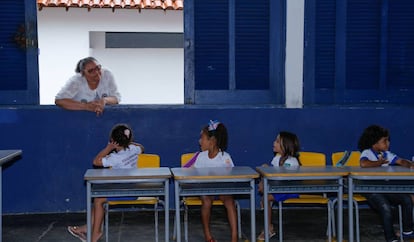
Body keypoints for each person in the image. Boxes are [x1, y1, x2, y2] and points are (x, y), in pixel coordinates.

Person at [67, 124, 144, 242]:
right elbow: (141, 147)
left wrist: (108, 148)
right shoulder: (134, 149)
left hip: (125, 192)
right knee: (98, 197)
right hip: (131, 187)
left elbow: (95, 161)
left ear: (113, 141)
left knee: (98, 200)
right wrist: (129, 143)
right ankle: (87, 228)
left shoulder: (114, 157)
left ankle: (96, 233)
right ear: (129, 140)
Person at [358, 124, 414, 242]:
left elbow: (400, 160)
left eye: (388, 140)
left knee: (407, 199)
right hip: (370, 189)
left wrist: (409, 164)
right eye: (385, 141)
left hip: (385, 188)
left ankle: (407, 231)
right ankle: (391, 238)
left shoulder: (387, 154)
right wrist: (378, 163)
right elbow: (364, 164)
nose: (388, 143)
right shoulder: (367, 153)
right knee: (385, 207)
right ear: (374, 143)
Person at [192, 120, 237, 242]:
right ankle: (208, 236)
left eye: (202, 138)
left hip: (222, 188)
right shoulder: (201, 157)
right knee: (206, 201)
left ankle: (234, 237)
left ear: (212, 141)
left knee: (229, 201)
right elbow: (193, 173)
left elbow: (232, 175)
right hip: (205, 188)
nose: (200, 141)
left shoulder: (225, 157)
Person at [257, 131, 301, 241]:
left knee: (266, 198)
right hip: (278, 189)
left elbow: (282, 178)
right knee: (266, 195)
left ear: (285, 146)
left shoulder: (292, 162)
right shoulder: (276, 158)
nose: (274, 143)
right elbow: (270, 174)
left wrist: (268, 173)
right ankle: (268, 227)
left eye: (277, 141)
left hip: (290, 190)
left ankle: (268, 228)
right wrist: (263, 179)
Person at [55, 57, 121, 116]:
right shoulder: (76, 81)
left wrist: (104, 100)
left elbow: (116, 98)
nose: (96, 72)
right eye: (91, 71)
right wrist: (86, 106)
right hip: (78, 118)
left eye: (98, 68)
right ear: (83, 74)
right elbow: (59, 100)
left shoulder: (107, 75)